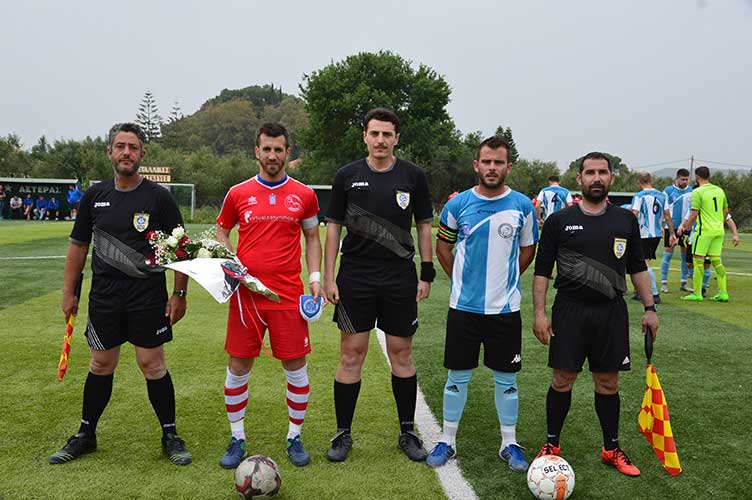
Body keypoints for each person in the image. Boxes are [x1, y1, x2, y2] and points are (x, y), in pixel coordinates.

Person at [48, 123, 192, 466]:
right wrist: (69, 292)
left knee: (152, 364)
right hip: (105, 295)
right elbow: (78, 246)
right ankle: (86, 434)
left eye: (133, 147)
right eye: (120, 146)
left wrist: (179, 293)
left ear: (142, 153)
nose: (126, 152)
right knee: (101, 363)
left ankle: (170, 435)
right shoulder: (94, 196)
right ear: (110, 152)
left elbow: (181, 247)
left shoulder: (158, 197)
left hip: (147, 294)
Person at [532, 152, 659, 478]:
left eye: (603, 172)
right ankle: (552, 444)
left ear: (611, 178)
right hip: (570, 310)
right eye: (590, 172)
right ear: (579, 178)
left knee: (608, 382)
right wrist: (539, 313)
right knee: (562, 379)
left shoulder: (625, 220)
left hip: (611, 311)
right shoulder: (560, 220)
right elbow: (542, 270)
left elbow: (637, 267)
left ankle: (611, 448)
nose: (597, 178)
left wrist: (650, 308)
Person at [323, 108, 435, 462]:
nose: (381, 140)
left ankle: (407, 432)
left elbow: (424, 226)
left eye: (387, 134)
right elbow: (333, 227)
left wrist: (427, 272)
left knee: (401, 353)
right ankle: (342, 434)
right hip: (355, 276)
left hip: (399, 277)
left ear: (396, 138)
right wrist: (328, 276)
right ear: (365, 137)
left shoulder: (413, 176)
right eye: (375, 133)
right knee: (351, 353)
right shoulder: (347, 176)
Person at [214, 122, 322, 469]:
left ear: (287, 153)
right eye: (266, 149)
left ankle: (294, 437)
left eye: (278, 149)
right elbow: (221, 230)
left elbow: (313, 238)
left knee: (295, 365)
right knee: (238, 364)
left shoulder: (304, 194)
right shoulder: (238, 193)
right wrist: (230, 260)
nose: (272, 155)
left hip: (287, 296)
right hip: (246, 296)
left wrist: (315, 277)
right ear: (256, 152)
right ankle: (237, 438)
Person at [428, 136, 538, 470]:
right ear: (476, 165)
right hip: (464, 308)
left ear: (508, 167)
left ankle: (509, 443)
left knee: (507, 380)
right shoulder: (457, 205)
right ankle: (448, 441)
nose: (492, 168)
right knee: (456, 377)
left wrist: (506, 280)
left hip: (505, 310)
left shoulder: (522, 206)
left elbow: (528, 249)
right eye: (486, 162)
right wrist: (461, 280)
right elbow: (443, 248)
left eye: (498, 162)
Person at [679, 166, 740, 302]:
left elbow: (694, 214)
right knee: (716, 261)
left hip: (704, 231)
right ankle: (723, 293)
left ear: (697, 177)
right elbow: (725, 211)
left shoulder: (698, 192)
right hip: (719, 231)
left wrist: (687, 230)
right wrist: (719, 224)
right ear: (709, 176)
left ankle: (697, 293)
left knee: (697, 261)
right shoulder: (719, 190)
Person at [630, 172, 666, 304]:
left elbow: (634, 213)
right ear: (651, 180)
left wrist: (628, 228)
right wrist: (671, 233)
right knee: (641, 261)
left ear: (639, 182)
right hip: (656, 234)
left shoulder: (639, 196)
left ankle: (654, 294)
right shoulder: (662, 195)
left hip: (643, 233)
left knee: (644, 263)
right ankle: (639, 291)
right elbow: (667, 214)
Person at [660, 169, 692, 293]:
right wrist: (661, 225)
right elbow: (663, 209)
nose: (685, 182)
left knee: (685, 256)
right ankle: (664, 283)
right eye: (682, 179)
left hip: (685, 228)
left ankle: (684, 282)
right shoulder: (668, 191)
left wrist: (686, 225)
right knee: (668, 254)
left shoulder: (691, 191)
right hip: (671, 227)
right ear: (677, 178)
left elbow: (692, 210)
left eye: (686, 179)